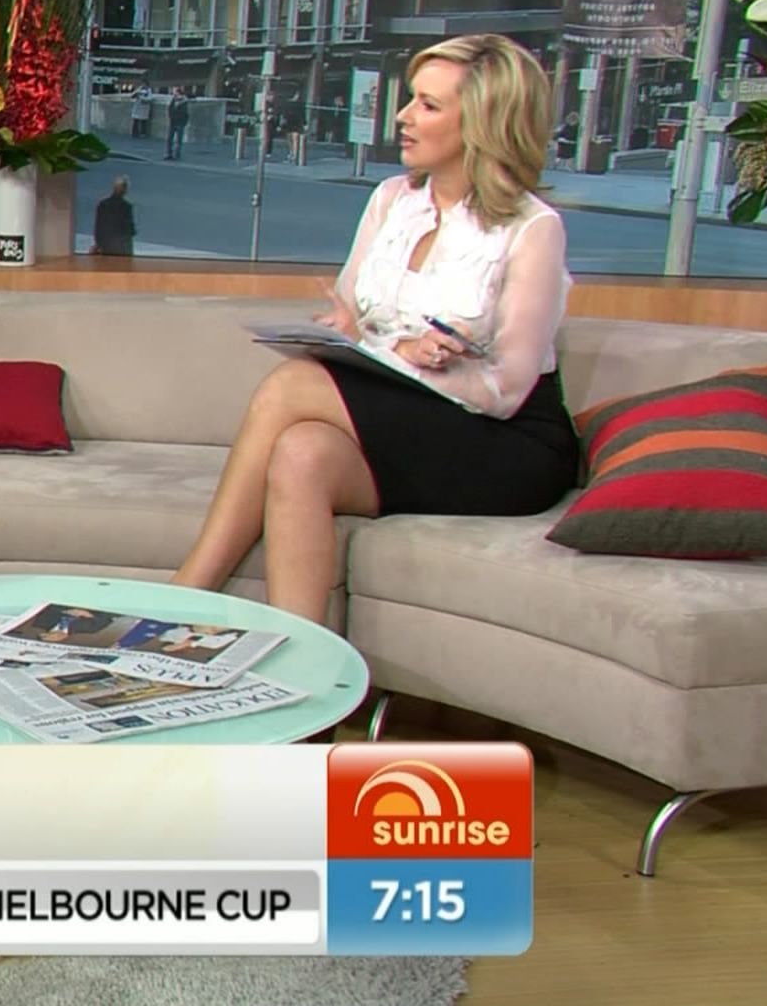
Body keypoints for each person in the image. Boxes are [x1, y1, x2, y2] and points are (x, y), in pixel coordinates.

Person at [168, 33, 578, 624]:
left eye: (428, 105)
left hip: (505, 443)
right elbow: (360, 323)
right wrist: (356, 335)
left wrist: (407, 357)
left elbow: (506, 391)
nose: (403, 116)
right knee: (302, 452)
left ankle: (188, 594)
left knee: (292, 387)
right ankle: (305, 660)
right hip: (409, 418)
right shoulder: (391, 200)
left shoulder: (533, 228)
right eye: (410, 98)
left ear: (484, 123)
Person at [90, 176, 135, 256]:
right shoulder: (126, 206)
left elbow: (98, 227)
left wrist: (99, 244)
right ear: (125, 190)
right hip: (123, 247)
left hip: (106, 245)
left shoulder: (103, 204)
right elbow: (129, 228)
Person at [165, 87, 189, 160]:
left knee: (178, 140)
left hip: (180, 123)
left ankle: (177, 154)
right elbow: (169, 109)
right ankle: (169, 154)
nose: (173, 93)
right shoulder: (173, 100)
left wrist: (184, 122)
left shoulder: (184, 101)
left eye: (174, 91)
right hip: (172, 122)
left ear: (178, 92)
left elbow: (185, 113)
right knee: (169, 139)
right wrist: (170, 117)